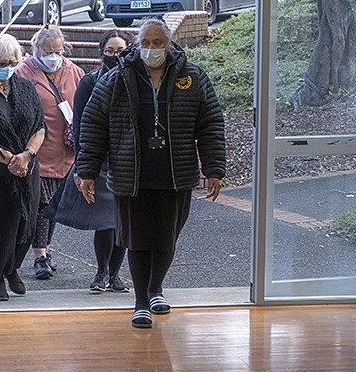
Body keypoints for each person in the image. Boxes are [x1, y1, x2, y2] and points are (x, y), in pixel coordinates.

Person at [75, 18, 226, 328]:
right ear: (137, 44)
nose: (151, 48)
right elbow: (93, 124)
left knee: (166, 238)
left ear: (168, 44)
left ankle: (156, 289)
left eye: (158, 43)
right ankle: (141, 302)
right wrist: (86, 169)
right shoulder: (117, 77)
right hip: (131, 174)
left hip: (175, 173)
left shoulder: (193, 76)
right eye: (145, 43)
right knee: (137, 240)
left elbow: (210, 124)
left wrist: (214, 168)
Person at [47, 30, 130, 292]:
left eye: (120, 51)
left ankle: (115, 275)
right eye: (110, 51)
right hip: (99, 158)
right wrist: (84, 165)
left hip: (126, 159)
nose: (115, 56)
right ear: (101, 52)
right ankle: (102, 273)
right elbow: (80, 125)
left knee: (121, 220)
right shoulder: (90, 82)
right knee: (105, 221)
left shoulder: (134, 80)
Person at [0, 33, 46, 301]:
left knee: (26, 222)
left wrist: (26, 156)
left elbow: (39, 126)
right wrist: (10, 160)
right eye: (2, 63)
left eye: (13, 62)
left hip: (26, 168)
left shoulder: (26, 88)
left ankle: (12, 268)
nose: (8, 67)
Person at [17, 25, 86, 280]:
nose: (53, 56)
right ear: (36, 48)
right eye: (47, 51)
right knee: (41, 205)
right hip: (37, 150)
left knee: (54, 205)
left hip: (65, 152)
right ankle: (40, 256)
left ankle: (45, 250)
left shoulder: (74, 71)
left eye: (58, 51)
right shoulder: (24, 71)